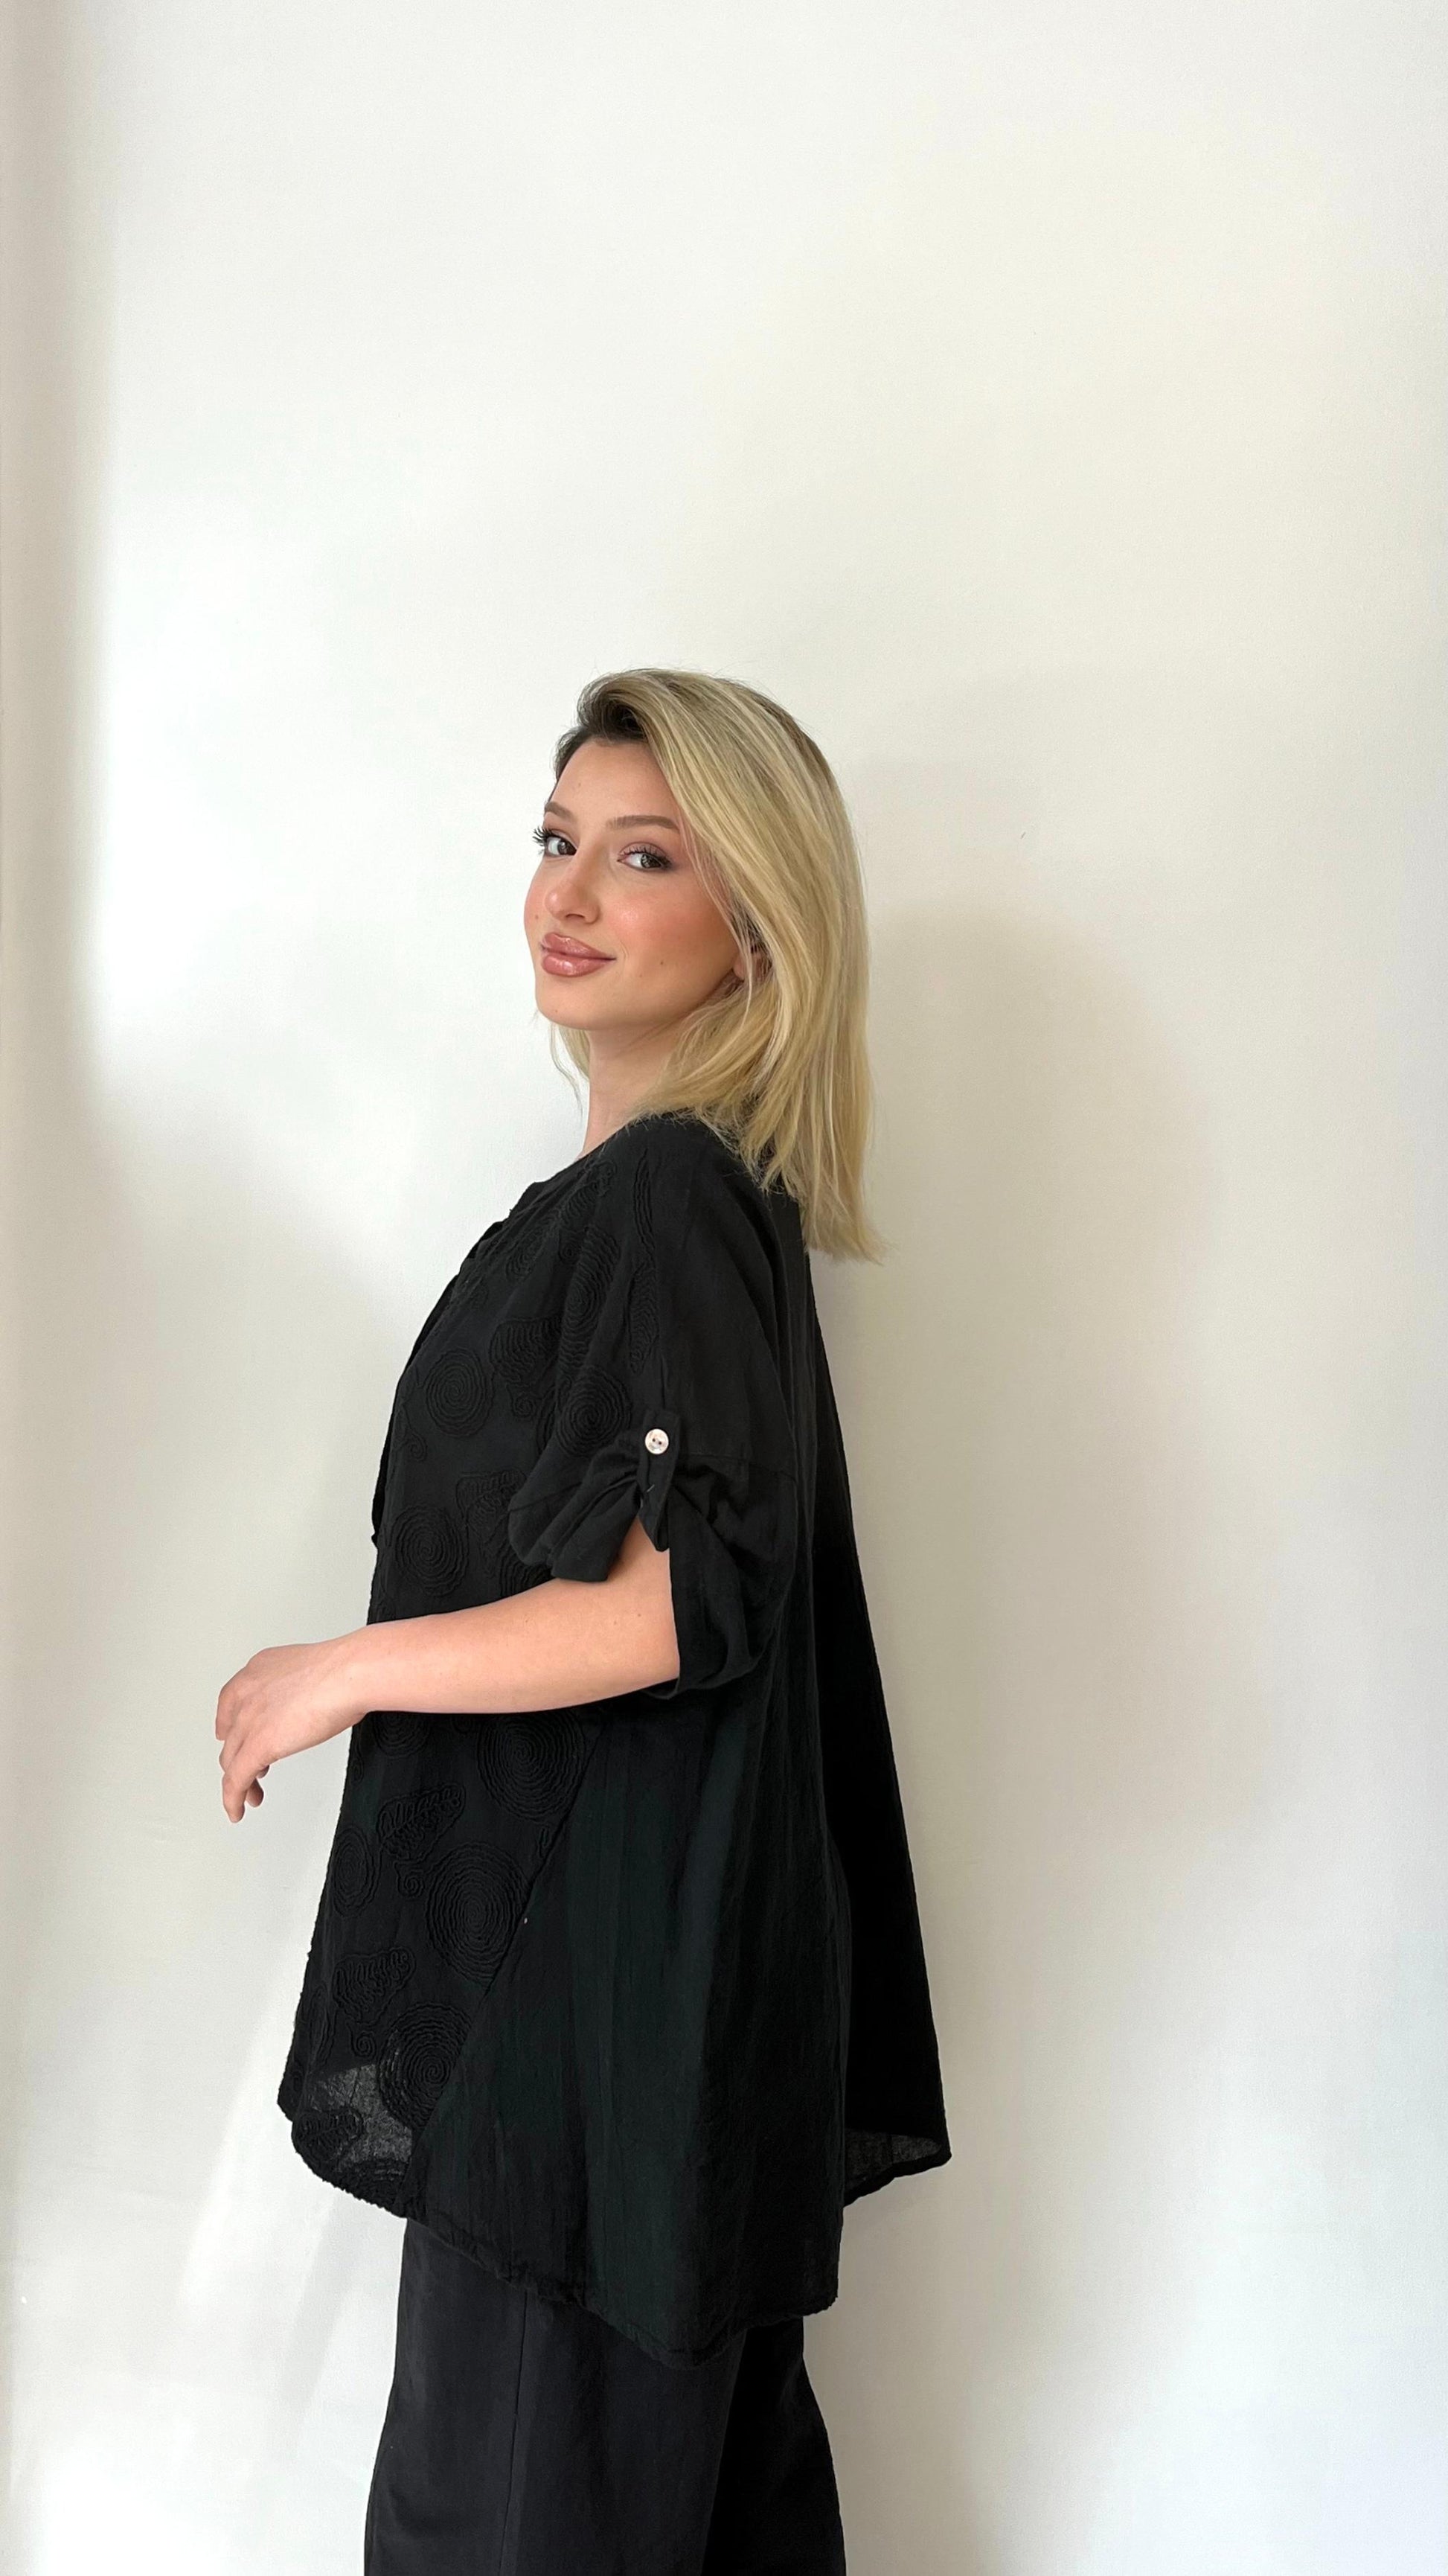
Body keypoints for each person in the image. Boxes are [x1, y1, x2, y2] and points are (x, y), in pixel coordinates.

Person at [214, 668, 950, 2572]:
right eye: (560, 841)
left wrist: (336, 1674)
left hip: (591, 2080)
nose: (571, 890)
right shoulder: (675, 1206)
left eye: (645, 857)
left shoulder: (668, 1198)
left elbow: (665, 1609)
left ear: (755, 927)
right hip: (633, 2077)